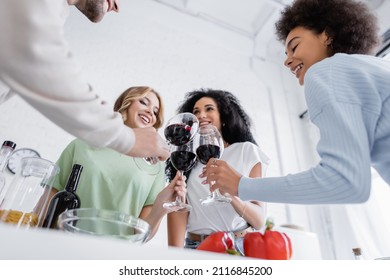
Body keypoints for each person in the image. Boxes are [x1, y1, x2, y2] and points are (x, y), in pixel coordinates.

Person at [205, 0, 390, 204]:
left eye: (294, 46)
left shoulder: (324, 71)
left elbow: (346, 182)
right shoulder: (371, 68)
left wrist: (242, 185)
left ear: (327, 35)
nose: (286, 61)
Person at [0, 0, 169, 161]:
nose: (117, 6)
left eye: (155, 111)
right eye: (144, 102)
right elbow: (41, 57)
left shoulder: (56, 13)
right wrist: (127, 139)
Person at [46, 86, 186, 240]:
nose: (150, 113)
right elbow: (48, 201)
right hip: (64, 244)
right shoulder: (81, 145)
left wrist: (160, 208)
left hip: (117, 253)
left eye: (155, 111)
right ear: (126, 103)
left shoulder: (156, 167)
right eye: (143, 102)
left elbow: (141, 235)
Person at [166, 89, 270, 253]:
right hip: (195, 248)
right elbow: (179, 210)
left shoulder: (246, 151)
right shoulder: (188, 156)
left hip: (237, 247)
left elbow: (258, 221)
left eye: (209, 109)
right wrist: (175, 258)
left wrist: (230, 195)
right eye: (196, 112)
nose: (201, 115)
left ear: (224, 118)